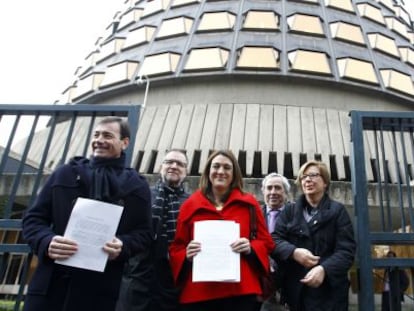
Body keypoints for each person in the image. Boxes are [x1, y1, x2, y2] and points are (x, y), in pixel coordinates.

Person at [22, 117, 153, 311]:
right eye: (96, 135)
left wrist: (123, 246)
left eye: (107, 135)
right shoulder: (64, 173)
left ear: (125, 142)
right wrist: (46, 241)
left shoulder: (137, 186)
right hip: (51, 285)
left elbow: (144, 233)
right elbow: (33, 219)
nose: (99, 140)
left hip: (99, 289)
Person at [169, 149, 275, 311]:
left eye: (227, 167)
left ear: (234, 174)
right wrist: (187, 255)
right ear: (208, 171)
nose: (220, 171)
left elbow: (266, 243)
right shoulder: (190, 205)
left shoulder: (249, 204)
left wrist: (250, 247)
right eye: (216, 166)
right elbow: (177, 248)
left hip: (240, 293)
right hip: (199, 294)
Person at [271, 160, 356, 311]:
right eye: (304, 177)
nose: (307, 180)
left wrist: (324, 269)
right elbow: (274, 240)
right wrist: (293, 252)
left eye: (313, 175)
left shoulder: (338, 211)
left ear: (325, 182)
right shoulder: (289, 211)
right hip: (295, 293)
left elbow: (346, 251)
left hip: (329, 294)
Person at [117, 149, 190, 311]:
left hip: (172, 280)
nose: (174, 166)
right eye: (169, 162)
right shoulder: (142, 195)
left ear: (186, 172)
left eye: (180, 164)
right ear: (160, 167)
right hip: (137, 275)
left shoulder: (192, 203)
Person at [260, 173, 291, 311]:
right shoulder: (253, 214)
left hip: (289, 283)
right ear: (263, 191)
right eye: (269, 188)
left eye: (278, 188)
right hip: (261, 284)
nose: (273, 192)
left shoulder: (296, 214)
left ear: (286, 193)